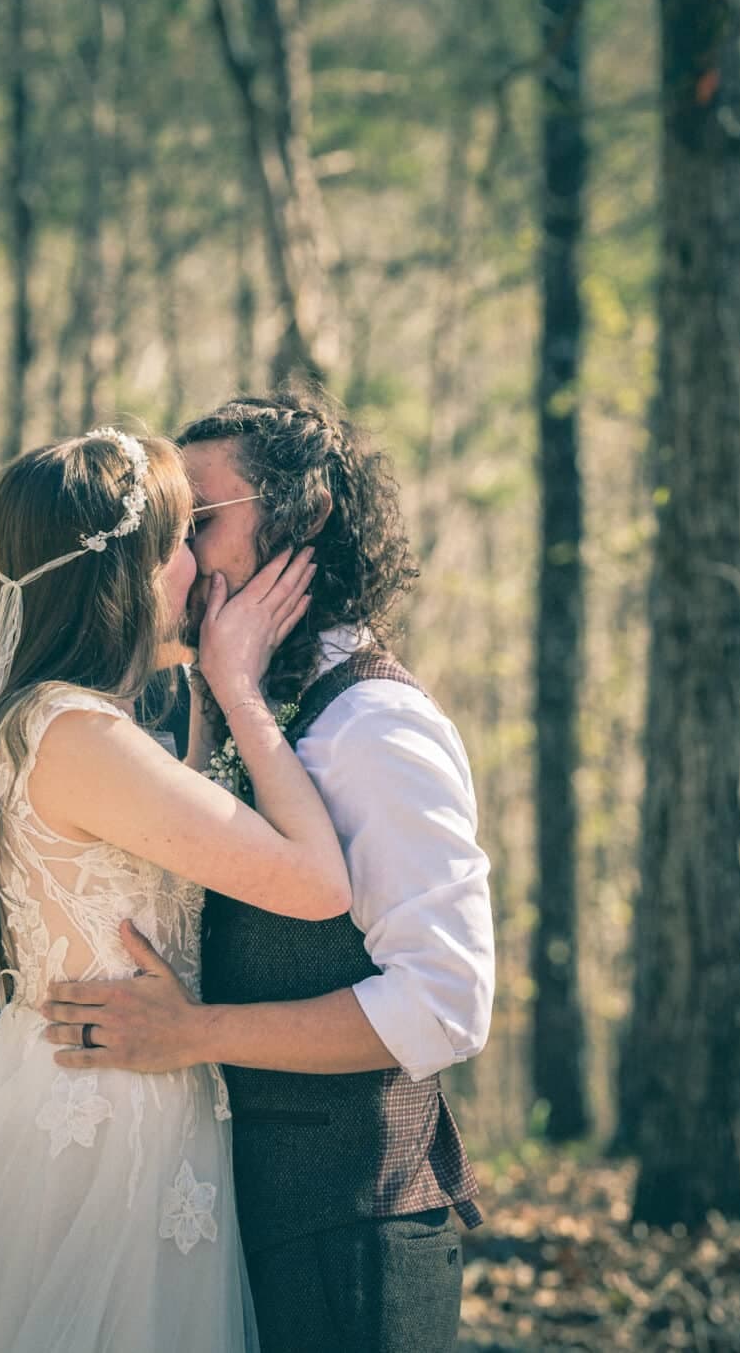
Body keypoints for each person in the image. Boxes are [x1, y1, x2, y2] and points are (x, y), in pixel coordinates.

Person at [0, 426, 345, 1352]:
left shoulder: (59, 719)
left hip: (94, 1085)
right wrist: (240, 687)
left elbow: (171, 843)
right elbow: (319, 884)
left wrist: (204, 689)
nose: (196, 563)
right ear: (126, 572)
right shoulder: (78, 735)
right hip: (108, 1125)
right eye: (176, 542)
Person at [41, 390, 495, 1353]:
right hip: (225, 1227)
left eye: (201, 520)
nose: (181, 551)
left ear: (306, 519)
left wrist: (193, 1034)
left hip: (349, 1243)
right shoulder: (222, 700)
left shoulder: (378, 725)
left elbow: (446, 1002)